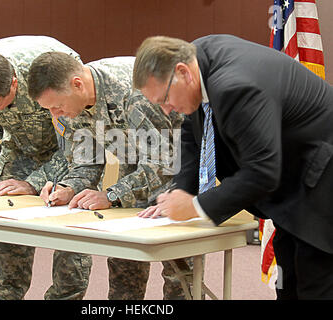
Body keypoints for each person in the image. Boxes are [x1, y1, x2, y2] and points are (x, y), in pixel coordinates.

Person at [132, 34, 333, 300]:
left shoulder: (236, 85)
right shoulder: (196, 61)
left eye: (165, 99)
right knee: (288, 282)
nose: (167, 110)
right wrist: (181, 193)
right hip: (294, 182)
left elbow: (262, 171)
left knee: (315, 285)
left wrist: (194, 207)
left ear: (182, 72)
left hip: (321, 183)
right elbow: (192, 133)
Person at [27, 52, 190, 299]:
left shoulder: (136, 94)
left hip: (179, 166)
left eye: (57, 106)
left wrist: (112, 194)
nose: (56, 115)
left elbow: (161, 164)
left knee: (178, 266)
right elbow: (86, 161)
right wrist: (68, 187)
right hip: (135, 162)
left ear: (77, 84)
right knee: (124, 256)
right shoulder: (74, 103)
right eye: (49, 109)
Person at [0, 35, 91, 300]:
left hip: (69, 154)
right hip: (18, 149)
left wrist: (33, 182)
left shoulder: (55, 73)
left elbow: (79, 148)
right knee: (9, 242)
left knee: (71, 249)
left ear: (15, 84)